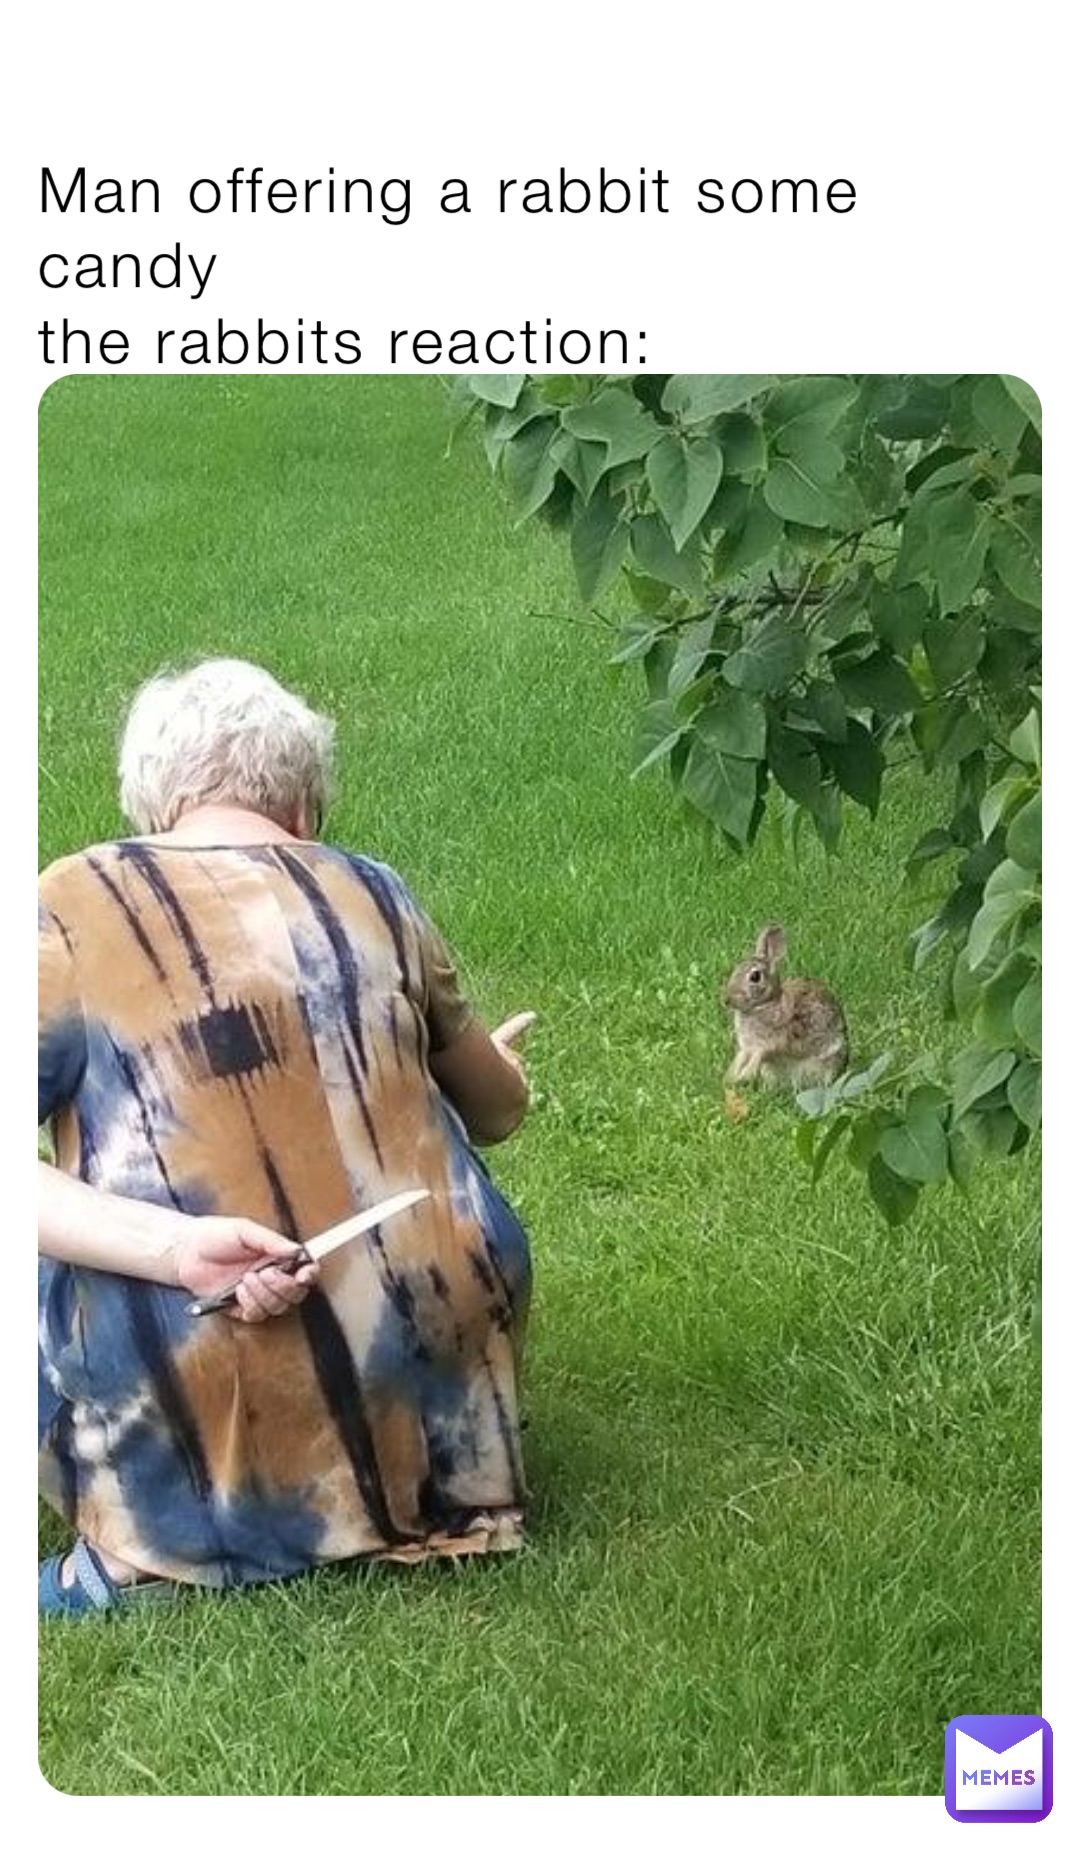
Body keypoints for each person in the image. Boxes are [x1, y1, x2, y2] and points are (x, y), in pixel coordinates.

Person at [38, 658, 535, 1615]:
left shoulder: (71, 903)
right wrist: (493, 1063)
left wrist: (177, 1246)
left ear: (162, 805)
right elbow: (498, 1111)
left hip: (203, 1354)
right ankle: (427, 1506)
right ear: (303, 808)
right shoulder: (379, 892)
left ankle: (144, 1551)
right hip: (441, 1368)